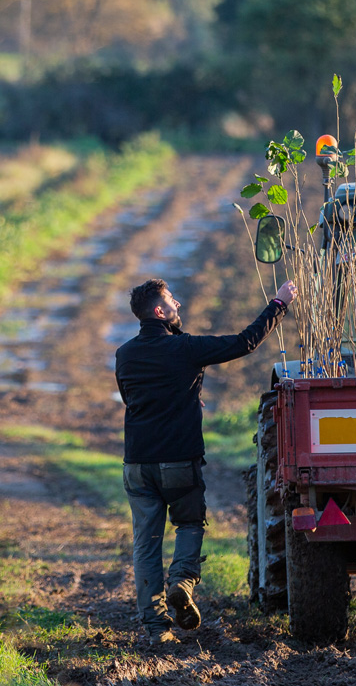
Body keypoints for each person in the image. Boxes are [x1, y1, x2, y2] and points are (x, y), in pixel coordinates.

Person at [114, 276, 297, 645]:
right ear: (159, 311)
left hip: (136, 463)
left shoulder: (124, 354)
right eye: (172, 300)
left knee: (146, 542)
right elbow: (244, 341)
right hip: (178, 459)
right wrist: (278, 304)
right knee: (190, 525)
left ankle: (155, 628)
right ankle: (181, 581)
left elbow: (131, 397)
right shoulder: (186, 350)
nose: (179, 304)